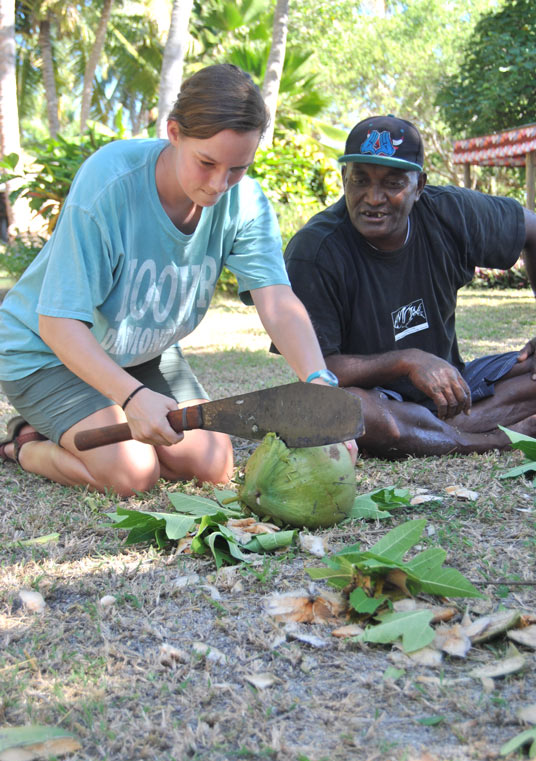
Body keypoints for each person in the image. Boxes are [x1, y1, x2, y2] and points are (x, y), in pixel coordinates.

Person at [0, 64, 348, 495]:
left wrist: (318, 384)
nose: (220, 184)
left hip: (140, 352)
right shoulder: (110, 182)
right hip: (45, 351)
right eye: (206, 163)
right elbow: (57, 324)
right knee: (134, 474)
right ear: (174, 132)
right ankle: (26, 445)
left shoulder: (246, 203)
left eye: (238, 168)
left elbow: (275, 300)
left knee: (212, 465)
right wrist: (130, 399)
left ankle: (89, 418)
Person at [283, 114, 536, 458]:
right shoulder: (314, 251)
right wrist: (408, 361)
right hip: (377, 402)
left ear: (419, 186)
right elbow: (317, 369)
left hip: (454, 392)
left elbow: (531, 230)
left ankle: (430, 431)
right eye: (360, 180)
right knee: (339, 406)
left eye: (392, 183)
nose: (373, 197)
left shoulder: (451, 212)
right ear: (344, 178)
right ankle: (492, 438)